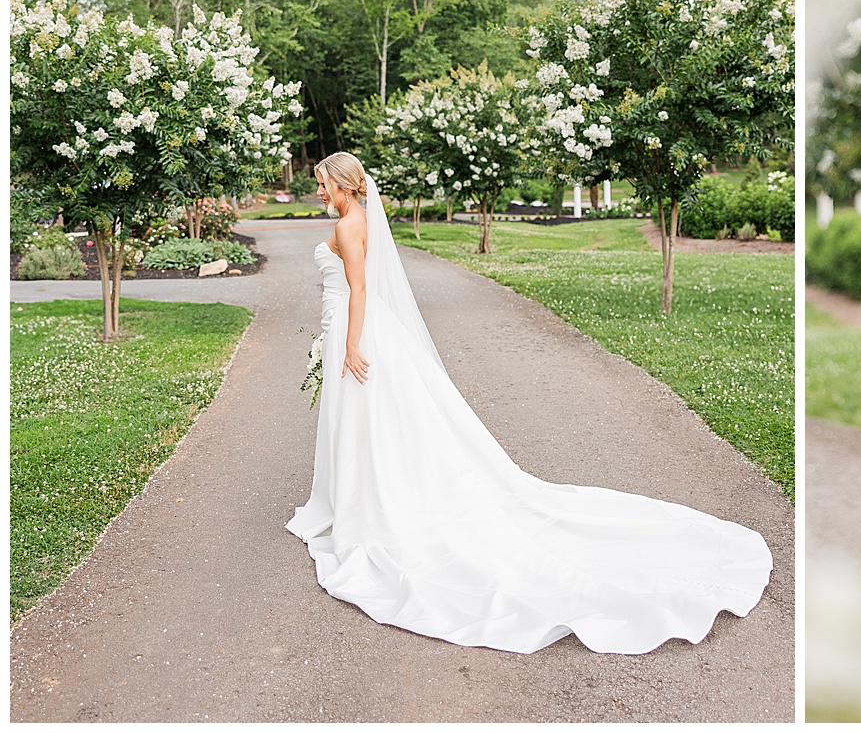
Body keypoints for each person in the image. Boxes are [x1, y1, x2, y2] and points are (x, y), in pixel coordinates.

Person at [286, 152, 772, 654]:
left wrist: (350, 345)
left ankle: (370, 504)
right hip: (362, 329)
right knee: (380, 424)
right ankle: (369, 494)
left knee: (369, 423)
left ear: (343, 185)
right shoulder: (362, 219)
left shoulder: (347, 225)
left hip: (357, 332)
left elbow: (359, 288)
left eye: (322, 183)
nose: (318, 191)